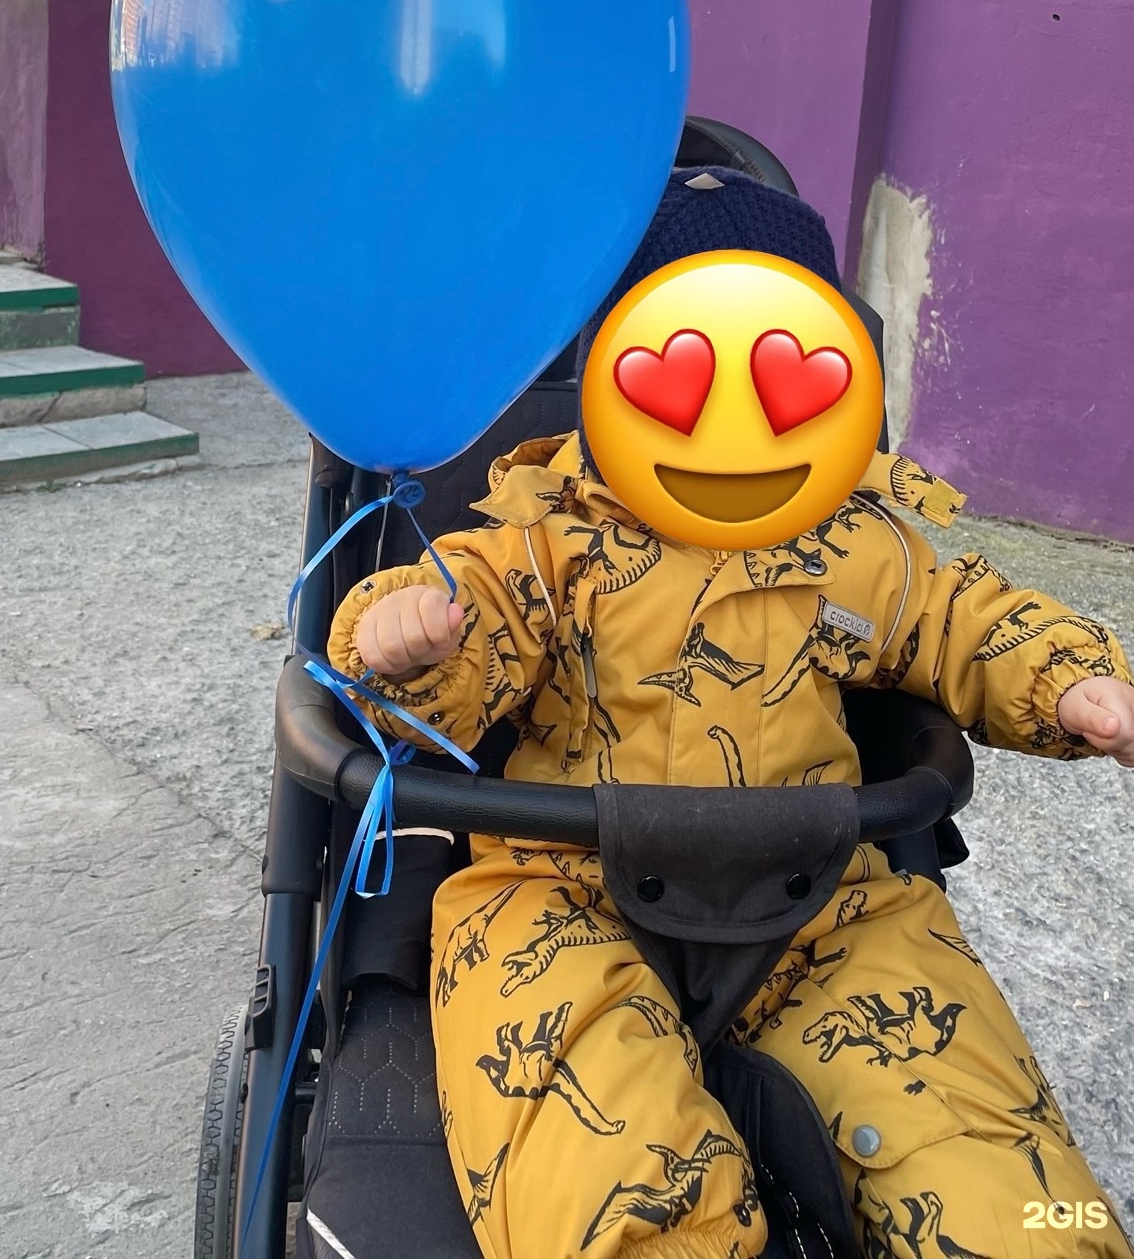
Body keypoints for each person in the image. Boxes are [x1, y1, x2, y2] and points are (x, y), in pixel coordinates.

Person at [328, 168, 1134, 1259]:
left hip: (819, 896)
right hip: (565, 885)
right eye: (686, 377)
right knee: (589, 1133)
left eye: (782, 377)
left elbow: (961, 616)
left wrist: (1069, 677)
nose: (735, 421)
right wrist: (407, 638)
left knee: (978, 1148)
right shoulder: (551, 535)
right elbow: (478, 622)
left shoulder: (856, 544)